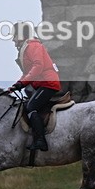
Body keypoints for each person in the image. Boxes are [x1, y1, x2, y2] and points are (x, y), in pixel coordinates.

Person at [7, 23, 61, 151]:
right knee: (27, 106)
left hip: (48, 83)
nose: (13, 39)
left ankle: (41, 141)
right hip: (41, 85)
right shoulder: (27, 48)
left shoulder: (33, 46)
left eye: (14, 35)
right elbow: (27, 73)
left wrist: (22, 83)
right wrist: (16, 85)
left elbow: (38, 66)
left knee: (31, 107)